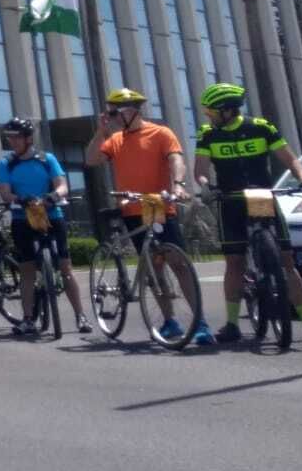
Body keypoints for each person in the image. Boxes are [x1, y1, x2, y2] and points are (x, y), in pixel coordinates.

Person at [192, 84, 302, 344]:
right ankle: (232, 324)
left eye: (212, 112)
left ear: (228, 111)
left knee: (287, 262)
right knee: (234, 262)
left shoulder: (261, 127)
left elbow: (290, 159)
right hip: (230, 199)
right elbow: (200, 168)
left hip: (262, 197)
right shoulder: (208, 134)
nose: (208, 116)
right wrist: (205, 185)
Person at [84, 87, 209, 345]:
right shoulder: (116, 140)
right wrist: (101, 130)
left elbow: (176, 159)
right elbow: (91, 159)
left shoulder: (160, 133)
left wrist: (178, 184)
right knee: (154, 268)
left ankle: (200, 322)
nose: (115, 116)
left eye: (118, 111)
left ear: (133, 110)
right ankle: (169, 321)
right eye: (112, 112)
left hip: (160, 205)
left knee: (178, 263)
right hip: (132, 209)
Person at [0, 117, 92, 336]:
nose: (13, 142)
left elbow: (63, 185)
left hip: (51, 215)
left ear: (28, 138)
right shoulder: (6, 163)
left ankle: (80, 315)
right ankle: (28, 319)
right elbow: (5, 192)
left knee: (65, 268)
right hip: (22, 218)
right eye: (9, 138)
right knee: (27, 270)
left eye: (17, 137)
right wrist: (20, 200)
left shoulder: (47, 159)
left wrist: (53, 196)